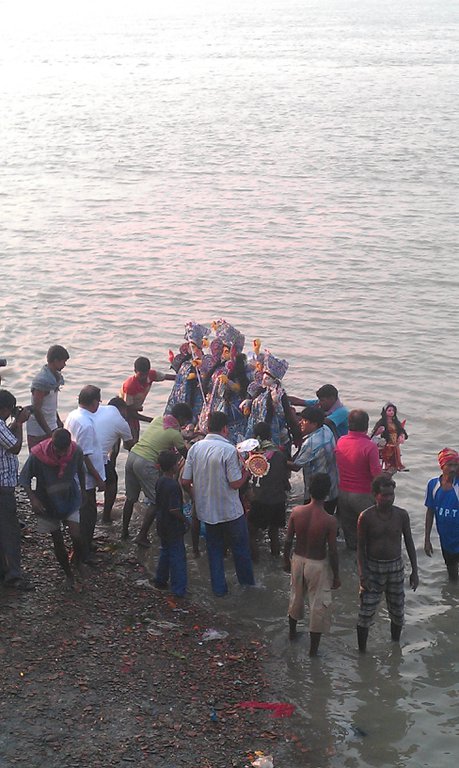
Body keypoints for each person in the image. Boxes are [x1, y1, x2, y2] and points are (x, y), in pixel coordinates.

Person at [182, 411, 255, 597]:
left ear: (207, 428)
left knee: (214, 551)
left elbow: (185, 481)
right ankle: (248, 589)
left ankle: (219, 591)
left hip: (207, 511)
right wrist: (247, 471)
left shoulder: (195, 448)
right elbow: (235, 484)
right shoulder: (229, 450)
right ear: (225, 429)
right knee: (240, 550)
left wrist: (196, 497)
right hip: (231, 511)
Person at [356, 474, 418, 653]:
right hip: (373, 568)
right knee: (365, 613)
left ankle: (395, 646)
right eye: (385, 495)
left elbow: (409, 542)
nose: (389, 498)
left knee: (398, 612)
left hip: (395, 568)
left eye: (391, 494)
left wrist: (415, 571)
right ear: (375, 495)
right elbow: (360, 548)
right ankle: (362, 653)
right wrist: (362, 574)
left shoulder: (401, 515)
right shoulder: (366, 517)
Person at [19, 429, 86, 589]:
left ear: (69, 445)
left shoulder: (76, 451)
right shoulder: (37, 455)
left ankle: (77, 560)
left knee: (76, 536)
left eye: (65, 450)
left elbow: (81, 470)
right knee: (57, 539)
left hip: (69, 498)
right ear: (52, 445)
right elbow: (24, 479)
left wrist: (84, 491)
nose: (62, 454)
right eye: (58, 450)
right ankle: (68, 575)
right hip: (47, 503)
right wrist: (33, 499)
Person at [283, 473, 340, 656]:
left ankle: (292, 635)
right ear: (328, 493)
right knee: (318, 607)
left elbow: (288, 540)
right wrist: (336, 575)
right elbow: (333, 551)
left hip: (298, 560)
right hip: (317, 564)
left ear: (309, 490)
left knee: (295, 598)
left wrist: (285, 560)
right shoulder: (330, 520)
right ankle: (313, 652)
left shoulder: (297, 512)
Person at [121, 403, 192, 545]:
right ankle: (142, 536)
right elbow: (186, 455)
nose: (185, 424)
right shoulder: (175, 434)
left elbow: (163, 435)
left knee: (130, 498)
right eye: (185, 421)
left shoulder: (158, 419)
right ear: (181, 418)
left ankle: (124, 532)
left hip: (133, 456)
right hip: (146, 463)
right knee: (156, 501)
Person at [64, 386, 106, 562]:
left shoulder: (73, 415)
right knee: (88, 516)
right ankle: (83, 553)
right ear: (94, 402)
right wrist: (98, 479)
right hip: (85, 479)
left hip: (75, 475)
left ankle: (83, 546)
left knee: (83, 514)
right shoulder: (86, 425)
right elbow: (85, 457)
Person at [0, 390, 33, 590]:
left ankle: (4, 570)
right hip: (3, 487)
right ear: (4, 409)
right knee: (10, 532)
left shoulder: (2, 426)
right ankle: (13, 576)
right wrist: (20, 423)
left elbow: (6, 437)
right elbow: (15, 447)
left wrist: (14, 423)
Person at [335, 409, 382, 550]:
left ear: (348, 424)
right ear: (366, 425)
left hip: (343, 494)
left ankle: (353, 559)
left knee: (350, 536)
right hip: (362, 495)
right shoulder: (370, 447)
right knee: (372, 533)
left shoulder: (341, 441)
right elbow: (376, 475)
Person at [246, 421, 290, 561]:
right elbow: (285, 479)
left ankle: (255, 563)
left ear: (255, 437)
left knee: (251, 533)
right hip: (278, 500)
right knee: (274, 532)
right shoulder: (279, 454)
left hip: (260, 500)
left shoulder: (252, 456)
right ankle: (276, 560)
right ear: (270, 436)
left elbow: (249, 479)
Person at [92, 397, 134, 524]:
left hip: (82, 452)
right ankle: (106, 517)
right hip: (98, 458)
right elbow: (129, 446)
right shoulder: (121, 422)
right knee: (112, 483)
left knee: (89, 486)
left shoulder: (98, 410)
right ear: (122, 409)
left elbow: (113, 450)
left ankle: (90, 511)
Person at [289, 406, 338, 514]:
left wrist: (277, 457)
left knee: (311, 520)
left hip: (317, 495)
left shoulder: (312, 443)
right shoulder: (326, 429)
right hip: (332, 489)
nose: (300, 423)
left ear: (314, 424)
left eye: (305, 421)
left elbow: (296, 467)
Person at [153, 450, 188, 597]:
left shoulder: (160, 481)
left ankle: (160, 580)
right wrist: (186, 520)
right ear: (174, 466)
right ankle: (178, 589)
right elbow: (174, 510)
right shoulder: (173, 485)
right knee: (178, 556)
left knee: (165, 551)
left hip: (161, 522)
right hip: (173, 525)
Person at [120, 356, 176, 444]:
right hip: (123, 412)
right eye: (141, 375)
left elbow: (166, 376)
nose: (143, 377)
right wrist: (152, 420)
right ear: (135, 371)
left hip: (133, 410)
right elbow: (130, 413)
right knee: (129, 441)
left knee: (135, 438)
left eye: (145, 374)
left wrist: (183, 376)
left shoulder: (151, 375)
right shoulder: (130, 386)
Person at [424, 448, 459, 582]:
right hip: (446, 540)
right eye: (449, 465)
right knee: (452, 576)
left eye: (455, 465)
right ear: (442, 466)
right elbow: (430, 512)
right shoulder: (433, 485)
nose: (453, 469)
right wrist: (427, 539)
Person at [26, 344, 69, 449]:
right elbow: (36, 409)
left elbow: (51, 404)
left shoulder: (55, 378)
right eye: (63, 361)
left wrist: (58, 421)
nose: (64, 365)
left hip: (52, 424)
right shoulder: (42, 381)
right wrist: (49, 433)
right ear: (55, 361)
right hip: (38, 431)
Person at [371, 403, 408, 473]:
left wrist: (402, 435)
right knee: (386, 463)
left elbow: (402, 430)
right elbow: (373, 434)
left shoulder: (396, 422)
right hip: (386, 446)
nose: (391, 412)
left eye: (393, 410)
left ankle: (396, 468)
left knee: (395, 464)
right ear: (385, 412)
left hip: (395, 445)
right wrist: (378, 432)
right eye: (389, 410)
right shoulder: (382, 422)